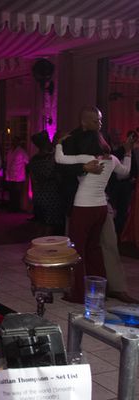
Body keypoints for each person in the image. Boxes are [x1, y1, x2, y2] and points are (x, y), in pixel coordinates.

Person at [58, 106, 138, 303]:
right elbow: (61, 168)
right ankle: (83, 289)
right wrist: (84, 168)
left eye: (100, 119)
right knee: (82, 248)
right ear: (84, 122)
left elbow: (108, 159)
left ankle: (110, 289)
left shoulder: (99, 138)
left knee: (105, 245)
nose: (100, 123)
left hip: (96, 201)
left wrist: (125, 151)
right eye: (96, 120)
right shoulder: (72, 139)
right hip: (79, 201)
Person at [27, 131, 64, 235]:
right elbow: (57, 176)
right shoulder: (51, 158)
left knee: (41, 223)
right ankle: (44, 243)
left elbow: (32, 179)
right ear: (46, 143)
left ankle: (37, 243)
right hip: (52, 195)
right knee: (50, 225)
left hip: (39, 195)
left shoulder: (33, 160)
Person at [4, 135, 29, 212]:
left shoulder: (22, 152)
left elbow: (27, 162)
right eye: (13, 141)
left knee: (17, 193)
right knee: (11, 192)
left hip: (18, 176)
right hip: (10, 175)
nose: (13, 142)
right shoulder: (10, 151)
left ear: (18, 142)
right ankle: (12, 207)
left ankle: (16, 208)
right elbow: (7, 161)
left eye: (15, 141)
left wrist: (26, 172)